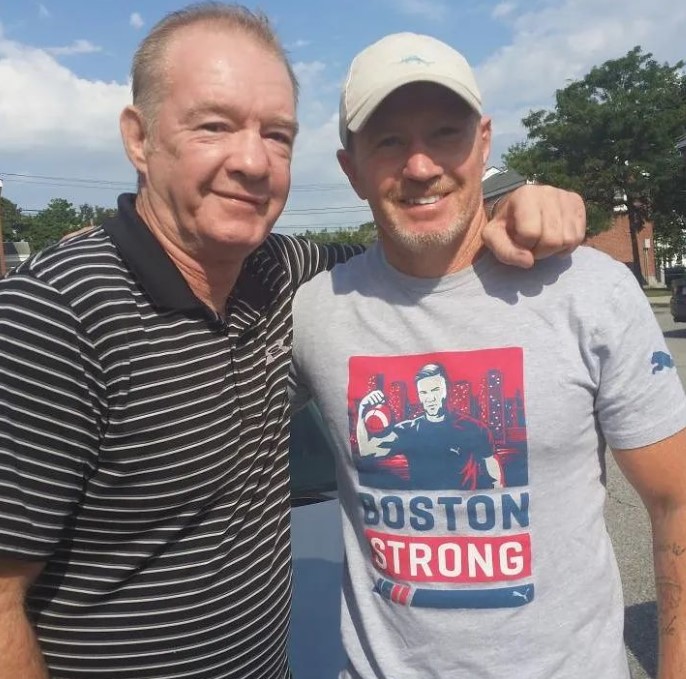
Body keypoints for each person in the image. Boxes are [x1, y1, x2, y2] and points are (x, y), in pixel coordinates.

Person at [0, 4, 586, 679]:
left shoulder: (286, 276)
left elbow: (416, 235)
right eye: (214, 125)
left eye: (276, 135)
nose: (251, 160)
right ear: (138, 137)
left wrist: (518, 194)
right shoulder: (58, 314)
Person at [290, 31, 686, 678]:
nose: (420, 166)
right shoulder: (316, 312)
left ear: (483, 142)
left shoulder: (587, 288)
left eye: (445, 132)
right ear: (350, 167)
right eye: (389, 141)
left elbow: (677, 500)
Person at [355, 363, 501, 490]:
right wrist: (362, 411)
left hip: (465, 516)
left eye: (435, 390)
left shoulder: (474, 429)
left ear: (446, 390)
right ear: (419, 396)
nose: (430, 398)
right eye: (423, 393)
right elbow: (366, 450)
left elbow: (496, 477)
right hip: (421, 517)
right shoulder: (408, 431)